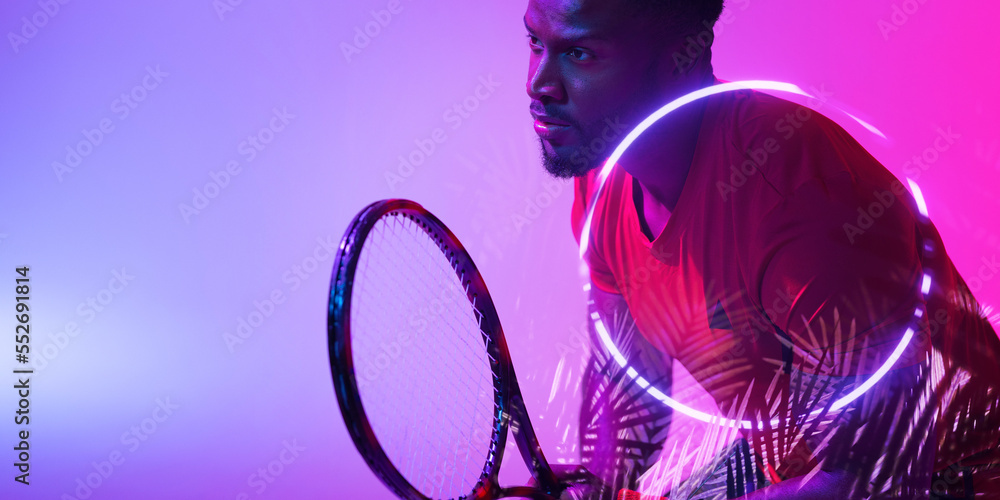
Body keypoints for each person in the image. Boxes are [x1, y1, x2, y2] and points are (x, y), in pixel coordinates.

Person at [524, 0, 1000, 498]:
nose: (539, 85)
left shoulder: (799, 201)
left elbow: (872, 479)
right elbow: (627, 381)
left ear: (680, 54)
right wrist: (597, 487)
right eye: (536, 43)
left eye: (580, 54)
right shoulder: (605, 171)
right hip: (801, 469)